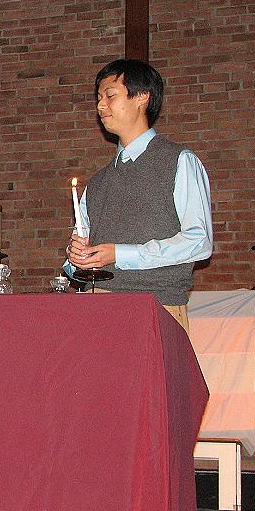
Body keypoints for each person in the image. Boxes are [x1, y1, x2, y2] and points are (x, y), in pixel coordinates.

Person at [65, 59, 213, 332]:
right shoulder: (97, 184)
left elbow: (199, 242)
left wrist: (119, 254)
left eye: (110, 95)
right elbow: (77, 263)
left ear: (142, 97)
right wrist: (76, 259)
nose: (100, 106)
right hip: (95, 309)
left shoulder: (179, 161)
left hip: (156, 308)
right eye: (98, 98)